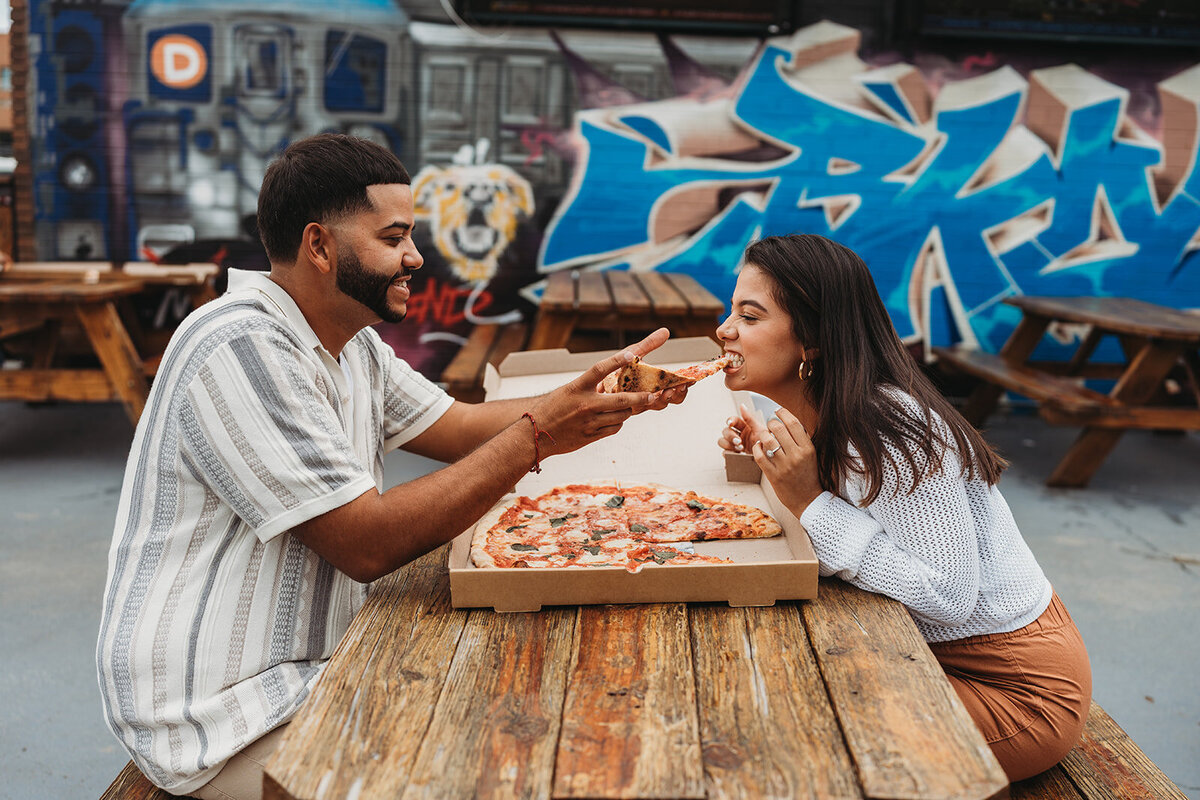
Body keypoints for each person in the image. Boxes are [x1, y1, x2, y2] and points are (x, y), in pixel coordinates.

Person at [96, 133, 685, 799]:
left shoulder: (354, 346)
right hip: (216, 712)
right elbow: (366, 542)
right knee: (483, 768)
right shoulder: (240, 346)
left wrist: (599, 395)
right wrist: (539, 434)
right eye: (394, 237)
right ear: (319, 246)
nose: (416, 256)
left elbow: (458, 426)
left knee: (528, 715)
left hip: (311, 668)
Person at [715, 233, 1091, 782]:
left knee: (793, 736)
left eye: (749, 317)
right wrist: (766, 460)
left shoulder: (892, 427)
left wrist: (810, 501)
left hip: (1015, 687)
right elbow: (856, 517)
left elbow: (949, 595)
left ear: (811, 342)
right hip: (924, 651)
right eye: (732, 310)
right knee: (762, 685)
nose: (724, 329)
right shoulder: (823, 410)